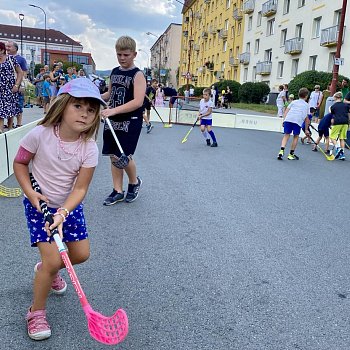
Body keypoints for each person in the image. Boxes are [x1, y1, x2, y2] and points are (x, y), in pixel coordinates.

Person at [13, 78, 105, 341]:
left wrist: (63, 212)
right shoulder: (39, 134)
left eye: (91, 109)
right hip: (39, 206)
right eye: (78, 106)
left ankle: (47, 269)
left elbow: (80, 189)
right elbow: (20, 163)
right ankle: (36, 311)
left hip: (68, 208)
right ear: (63, 105)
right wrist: (31, 194)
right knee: (54, 260)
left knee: (81, 254)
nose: (85, 113)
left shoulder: (89, 148)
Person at [100, 36, 146, 205]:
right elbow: (109, 94)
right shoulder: (114, 72)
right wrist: (93, 96)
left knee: (124, 155)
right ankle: (117, 190)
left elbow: (138, 101)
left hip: (130, 120)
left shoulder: (138, 75)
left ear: (134, 54)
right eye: (119, 54)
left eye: (126, 55)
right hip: (112, 120)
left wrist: (113, 110)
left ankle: (134, 182)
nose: (122, 58)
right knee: (113, 155)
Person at [277, 88, 310, 160]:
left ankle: (281, 151)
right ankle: (291, 154)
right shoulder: (307, 105)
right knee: (295, 136)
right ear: (306, 96)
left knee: (286, 135)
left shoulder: (293, 102)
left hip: (288, 119)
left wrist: (284, 120)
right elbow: (306, 118)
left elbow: (286, 111)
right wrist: (306, 129)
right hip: (297, 121)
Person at [0, 41, 23, 133]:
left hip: (10, 88)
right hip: (0, 89)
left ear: (2, 50)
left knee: (11, 108)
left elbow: (20, 72)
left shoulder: (11, 59)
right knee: (0, 109)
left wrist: (16, 85)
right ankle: (1, 129)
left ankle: (10, 128)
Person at [6, 40, 27, 128]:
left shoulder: (21, 59)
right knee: (7, 104)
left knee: (18, 103)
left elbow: (24, 72)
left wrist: (20, 84)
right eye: (6, 46)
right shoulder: (4, 58)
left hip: (17, 85)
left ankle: (19, 123)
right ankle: (9, 123)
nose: (7, 48)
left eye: (9, 46)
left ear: (15, 48)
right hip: (7, 86)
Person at [330, 91, 350, 160]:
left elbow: (333, 115)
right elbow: (348, 114)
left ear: (335, 98)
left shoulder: (333, 106)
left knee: (332, 137)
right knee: (342, 138)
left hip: (337, 122)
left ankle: (338, 148)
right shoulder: (346, 105)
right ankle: (342, 154)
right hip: (345, 122)